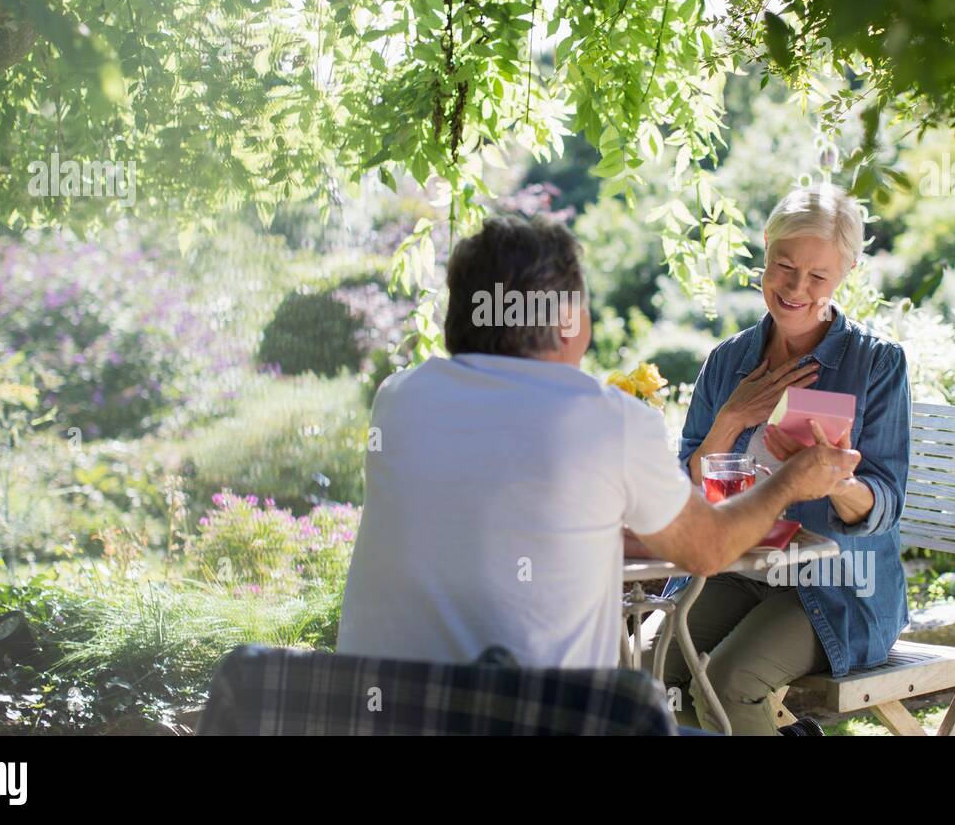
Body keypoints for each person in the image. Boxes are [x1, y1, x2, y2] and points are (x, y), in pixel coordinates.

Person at [336, 214, 860, 671]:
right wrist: (794, 480)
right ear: (568, 323)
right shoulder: (606, 419)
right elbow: (710, 550)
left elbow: (494, 522)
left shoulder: (400, 399)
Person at [647, 184, 912, 734]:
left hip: (837, 582)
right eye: (784, 266)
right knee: (649, 668)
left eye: (818, 276)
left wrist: (834, 479)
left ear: (847, 271)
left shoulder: (876, 365)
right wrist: (731, 420)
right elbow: (685, 491)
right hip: (739, 570)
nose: (796, 288)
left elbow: (885, 502)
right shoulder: (729, 362)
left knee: (726, 683)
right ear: (765, 248)